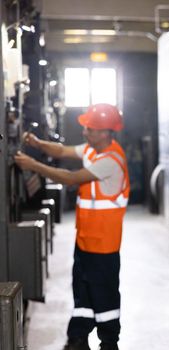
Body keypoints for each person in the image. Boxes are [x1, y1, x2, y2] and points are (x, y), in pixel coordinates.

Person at [15, 103, 130, 350]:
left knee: (104, 294)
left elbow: (70, 178)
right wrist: (36, 143)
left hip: (104, 244)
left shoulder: (111, 160)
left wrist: (33, 165)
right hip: (86, 239)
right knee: (83, 291)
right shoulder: (93, 149)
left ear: (104, 132)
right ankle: (78, 337)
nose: (85, 132)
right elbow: (61, 151)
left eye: (90, 128)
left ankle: (109, 342)